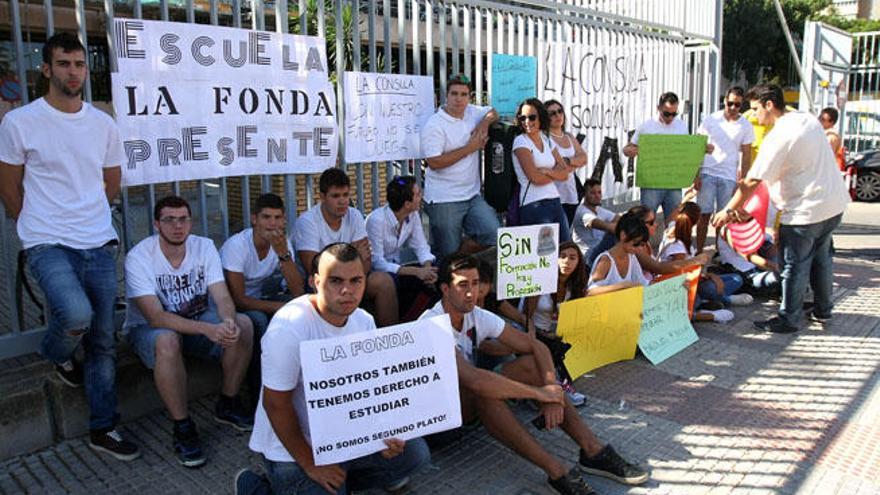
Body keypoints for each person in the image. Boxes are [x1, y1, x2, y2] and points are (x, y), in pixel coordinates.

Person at [0, 33, 140, 461]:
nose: (73, 72)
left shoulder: (102, 124)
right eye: (64, 64)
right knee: (76, 314)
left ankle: (104, 428)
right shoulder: (21, 122)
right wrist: (30, 224)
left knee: (101, 341)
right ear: (47, 69)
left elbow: (111, 179)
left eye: (79, 64)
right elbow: (8, 184)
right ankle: (55, 354)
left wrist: (95, 209)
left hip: (97, 240)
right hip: (46, 240)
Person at [422, 254, 648, 495]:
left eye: (475, 284)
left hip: (468, 400)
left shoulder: (475, 314)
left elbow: (535, 346)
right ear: (445, 289)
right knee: (484, 391)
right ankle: (557, 471)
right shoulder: (431, 324)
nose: (471, 293)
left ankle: (592, 450)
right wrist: (541, 393)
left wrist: (552, 390)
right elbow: (473, 379)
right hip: (439, 422)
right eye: (463, 285)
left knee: (531, 365)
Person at [236, 243, 430, 495]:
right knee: (319, 484)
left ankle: (339, 484)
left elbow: (369, 387)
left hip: (343, 434)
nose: (347, 290)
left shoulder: (364, 321)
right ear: (315, 282)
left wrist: (383, 431)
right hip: (292, 448)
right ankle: (255, 487)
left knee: (415, 454)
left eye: (356, 280)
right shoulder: (289, 328)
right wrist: (310, 463)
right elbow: (275, 405)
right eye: (335, 281)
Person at [124, 195, 254, 467]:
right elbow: (156, 317)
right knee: (168, 342)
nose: (177, 226)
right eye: (169, 220)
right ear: (157, 224)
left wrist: (227, 320)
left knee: (243, 325)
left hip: (196, 320)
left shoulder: (203, 246)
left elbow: (221, 296)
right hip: (149, 329)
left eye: (183, 219)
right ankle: (182, 426)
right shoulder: (139, 257)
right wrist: (207, 329)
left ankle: (227, 403)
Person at [712, 84, 850, 334]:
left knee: (793, 267)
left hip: (805, 213)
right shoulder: (806, 119)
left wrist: (727, 211)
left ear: (768, 105)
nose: (752, 116)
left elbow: (751, 181)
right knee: (822, 260)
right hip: (832, 206)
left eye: (754, 109)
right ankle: (823, 311)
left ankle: (789, 318)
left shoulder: (779, 135)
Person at [220, 193, 305, 411]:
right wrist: (278, 307)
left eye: (277, 218)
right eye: (266, 217)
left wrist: (283, 254)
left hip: (258, 299)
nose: (272, 224)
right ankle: (260, 395)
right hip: (229, 305)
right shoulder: (236, 246)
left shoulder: (282, 243)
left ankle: (297, 383)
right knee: (259, 321)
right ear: (254, 219)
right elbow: (238, 299)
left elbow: (297, 291)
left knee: (301, 310)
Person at [294, 167, 398, 327]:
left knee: (383, 281)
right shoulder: (307, 222)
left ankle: (392, 339)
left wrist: (350, 271)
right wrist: (354, 254)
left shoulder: (354, 215)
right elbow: (314, 269)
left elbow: (367, 263)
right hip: (318, 284)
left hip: (352, 277)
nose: (342, 201)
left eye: (345, 195)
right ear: (322, 197)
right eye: (335, 196)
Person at [420, 74, 500, 258]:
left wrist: (485, 123)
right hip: (444, 199)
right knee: (447, 254)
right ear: (446, 96)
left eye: (464, 94)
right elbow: (434, 162)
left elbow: (492, 111)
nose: (459, 98)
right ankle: (443, 282)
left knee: (495, 234)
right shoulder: (434, 125)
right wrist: (470, 148)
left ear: (469, 97)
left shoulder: (472, 111)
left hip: (471, 195)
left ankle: (461, 253)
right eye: (454, 93)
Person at [523, 241, 588, 407]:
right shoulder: (541, 282)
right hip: (537, 333)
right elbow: (526, 316)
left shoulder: (576, 286)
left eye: (572, 258)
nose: (567, 261)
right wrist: (531, 340)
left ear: (578, 262)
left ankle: (562, 387)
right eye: (562, 256)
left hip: (559, 336)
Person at [365, 175, 438, 322]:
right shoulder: (376, 220)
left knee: (439, 273)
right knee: (392, 281)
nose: (421, 196)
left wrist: (427, 270)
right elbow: (377, 262)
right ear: (407, 204)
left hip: (398, 268)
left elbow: (421, 246)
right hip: (379, 273)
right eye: (417, 194)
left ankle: (421, 322)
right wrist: (417, 272)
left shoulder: (413, 215)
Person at [657, 202, 752, 311]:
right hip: (682, 285)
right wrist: (705, 275)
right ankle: (725, 299)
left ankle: (710, 299)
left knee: (737, 278)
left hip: (695, 279)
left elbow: (674, 214)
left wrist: (709, 275)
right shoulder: (677, 245)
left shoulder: (673, 227)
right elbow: (679, 274)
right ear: (697, 221)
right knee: (706, 292)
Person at [694, 87, 755, 253]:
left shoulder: (746, 125)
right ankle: (699, 252)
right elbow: (698, 146)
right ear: (724, 101)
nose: (734, 108)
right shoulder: (710, 120)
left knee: (725, 217)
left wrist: (743, 181)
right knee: (703, 215)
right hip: (708, 172)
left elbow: (747, 154)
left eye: (738, 105)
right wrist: (695, 174)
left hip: (729, 176)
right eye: (730, 104)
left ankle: (721, 254)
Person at [623, 92, 693, 220]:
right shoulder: (646, 126)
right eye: (666, 113)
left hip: (673, 183)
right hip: (651, 184)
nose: (670, 117)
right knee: (647, 220)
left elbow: (686, 151)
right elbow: (627, 149)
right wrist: (633, 150)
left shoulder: (682, 126)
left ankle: (670, 241)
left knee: (674, 222)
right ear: (658, 108)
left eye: (674, 113)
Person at [512, 98, 572, 240]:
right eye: (523, 118)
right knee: (544, 254)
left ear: (541, 117)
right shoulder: (521, 141)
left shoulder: (546, 139)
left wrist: (548, 171)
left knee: (565, 247)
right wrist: (556, 172)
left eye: (532, 117)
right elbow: (535, 178)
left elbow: (566, 173)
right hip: (534, 205)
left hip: (555, 201)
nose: (527, 122)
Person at [545, 99, 589, 226]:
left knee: (566, 236)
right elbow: (555, 166)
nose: (558, 116)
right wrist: (574, 164)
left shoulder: (569, 136)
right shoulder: (545, 138)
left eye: (560, 111)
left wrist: (568, 161)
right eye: (552, 113)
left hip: (570, 195)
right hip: (552, 194)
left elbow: (584, 158)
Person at [587, 213, 652, 295]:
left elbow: (643, 283)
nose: (640, 248)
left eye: (642, 245)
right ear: (623, 235)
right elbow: (590, 292)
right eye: (636, 243)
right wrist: (622, 286)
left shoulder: (631, 257)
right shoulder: (605, 261)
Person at [572, 179, 618, 262]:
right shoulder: (581, 212)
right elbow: (605, 226)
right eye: (592, 193)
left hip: (601, 250)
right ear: (584, 195)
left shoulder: (599, 209)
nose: (597, 196)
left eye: (599, 192)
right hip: (588, 256)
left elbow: (621, 219)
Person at [819, 107, 847, 172]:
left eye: (823, 119)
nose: (819, 120)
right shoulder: (823, 133)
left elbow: (825, 156)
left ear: (831, 122)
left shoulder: (831, 136)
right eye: (820, 117)